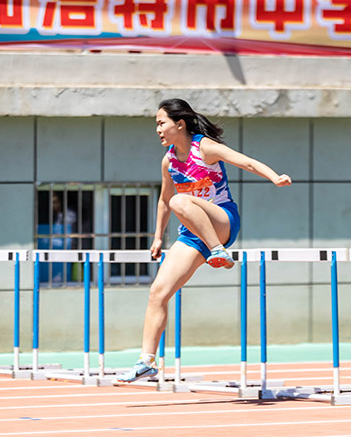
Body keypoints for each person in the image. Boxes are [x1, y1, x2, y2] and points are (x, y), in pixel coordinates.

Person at [116, 99, 291, 383]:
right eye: (156, 125)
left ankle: (219, 250)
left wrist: (275, 177)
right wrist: (158, 237)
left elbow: (244, 160)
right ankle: (147, 360)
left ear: (179, 124)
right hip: (192, 233)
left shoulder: (204, 147)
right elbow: (163, 201)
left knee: (181, 201)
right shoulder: (169, 161)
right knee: (158, 292)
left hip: (222, 221)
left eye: (161, 123)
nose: (158, 130)